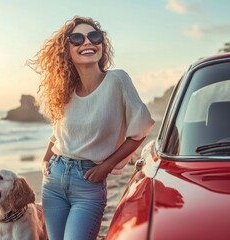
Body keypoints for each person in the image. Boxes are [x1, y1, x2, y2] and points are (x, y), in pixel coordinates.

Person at [29, 16, 155, 240]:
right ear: (66, 50)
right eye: (77, 39)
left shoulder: (118, 80)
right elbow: (57, 133)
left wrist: (106, 166)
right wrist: (45, 159)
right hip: (54, 179)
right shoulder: (64, 90)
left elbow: (141, 130)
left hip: (88, 182)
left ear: (101, 44)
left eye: (94, 36)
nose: (87, 42)